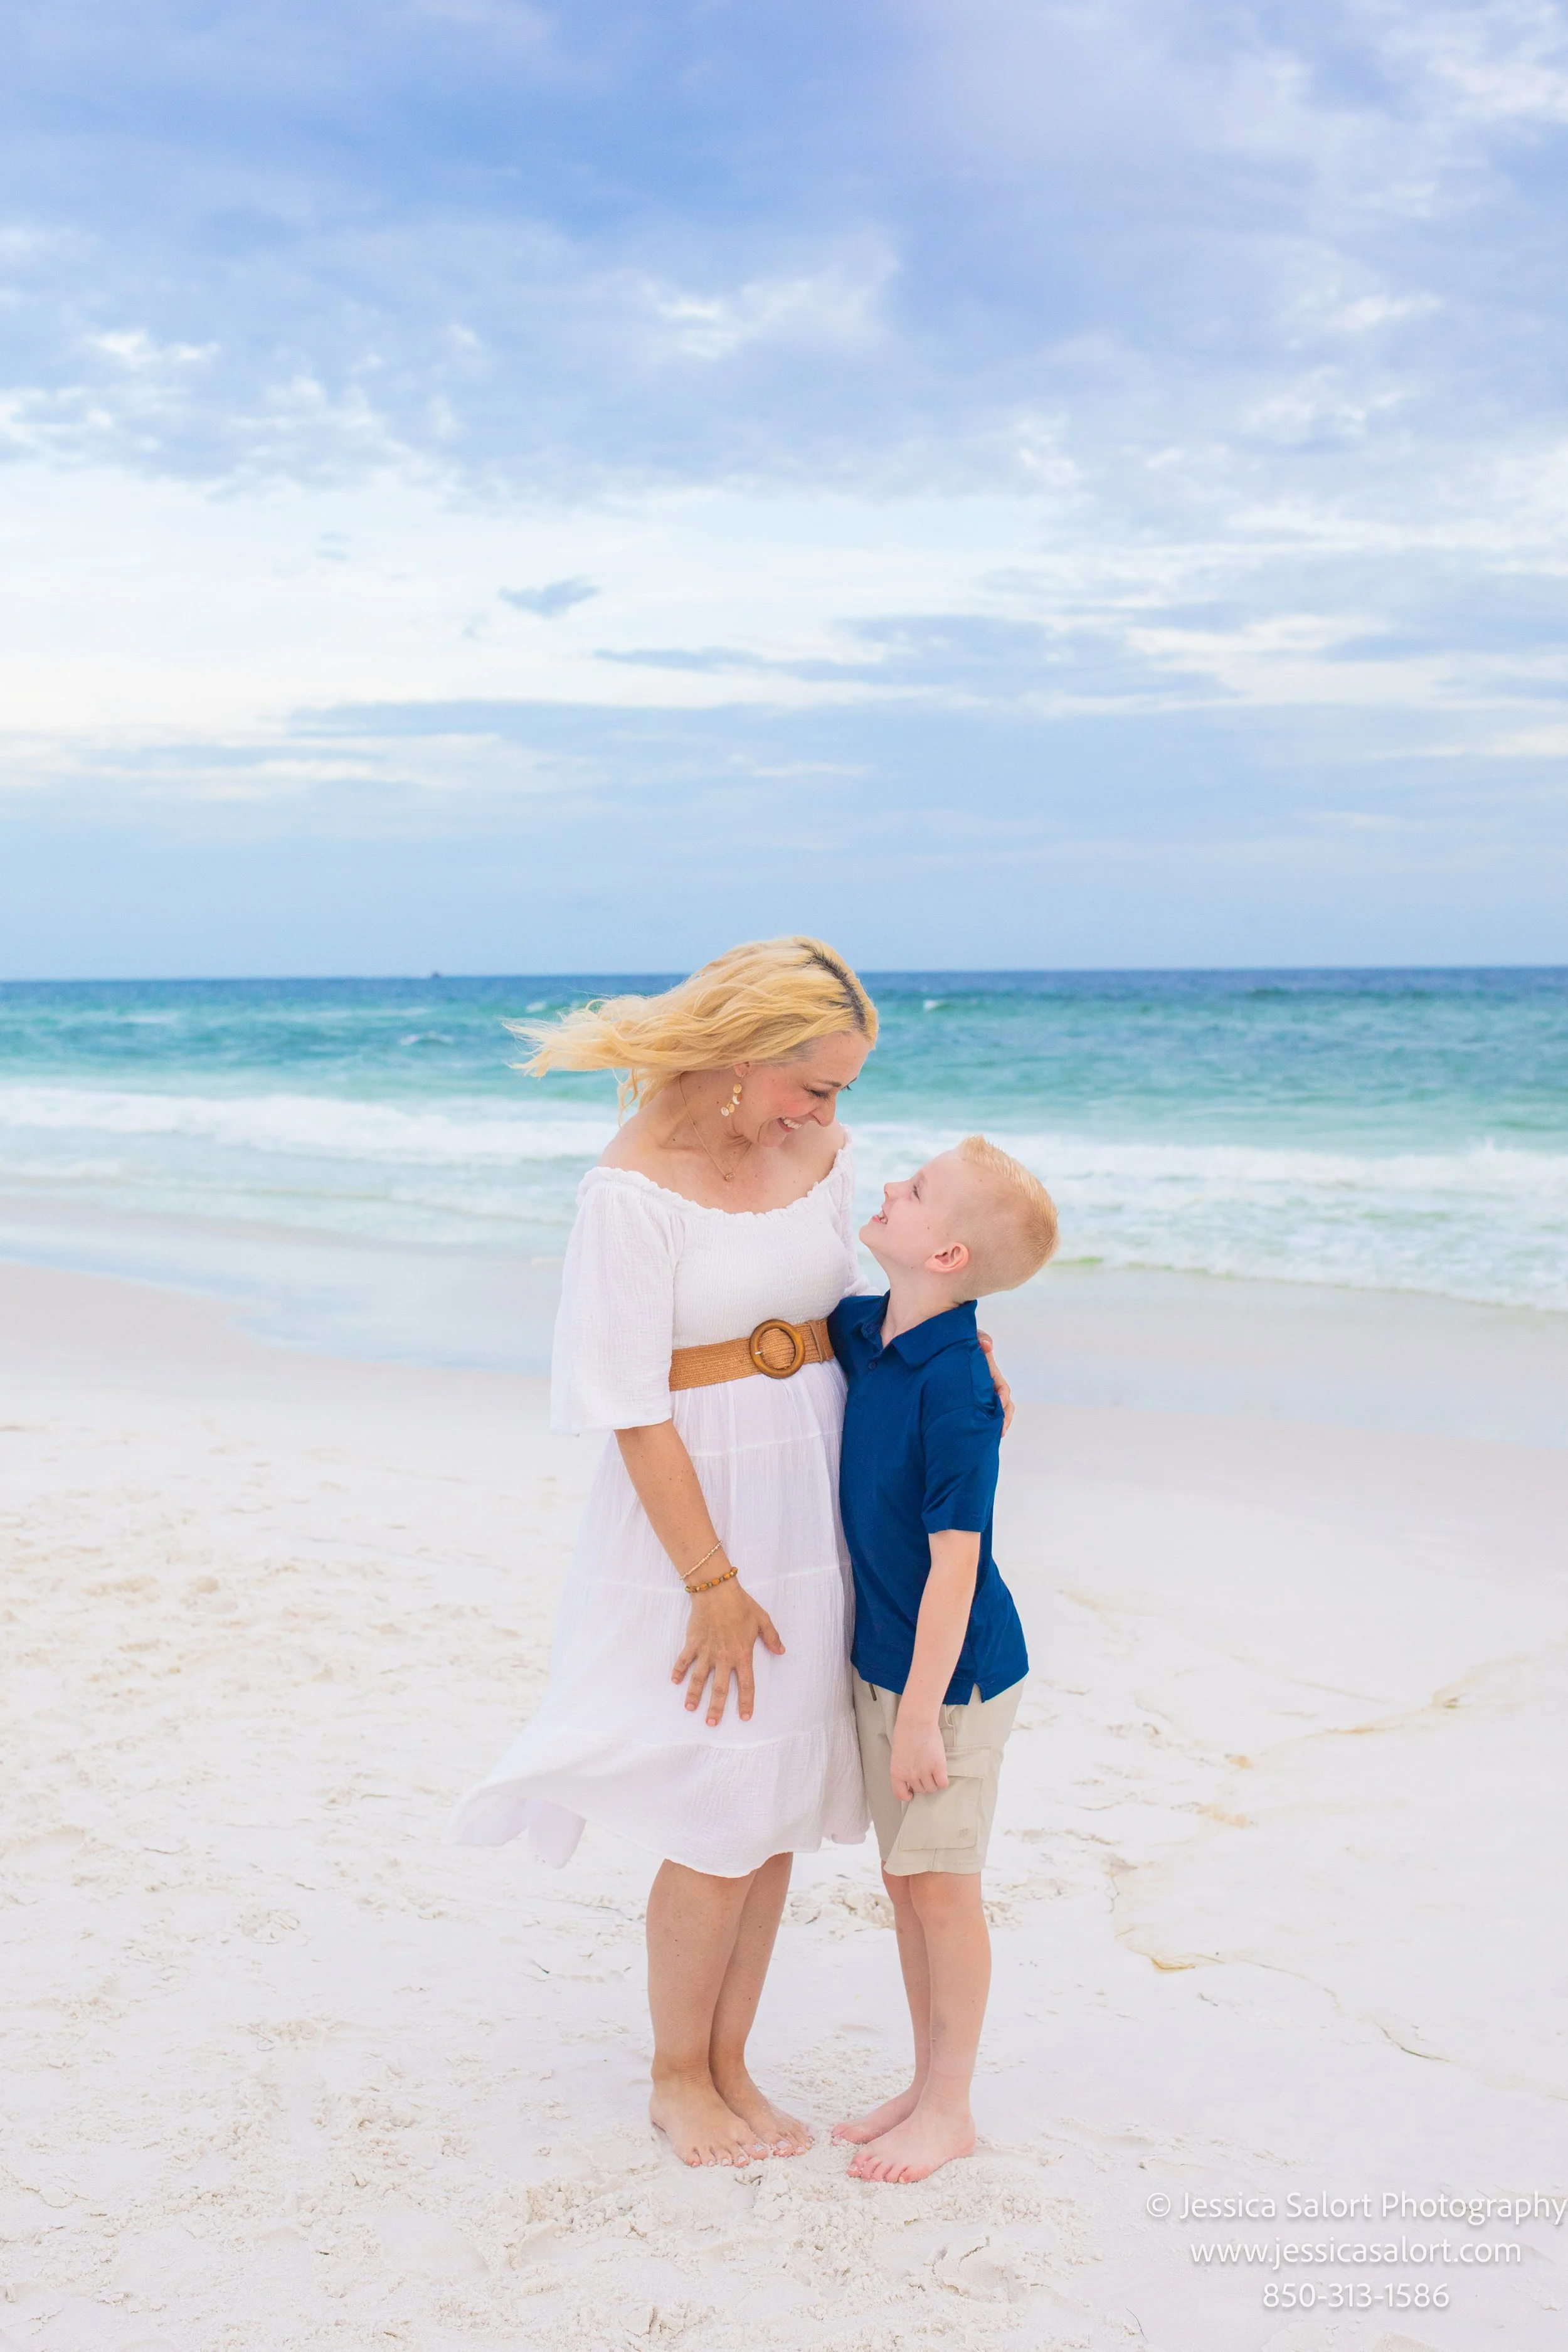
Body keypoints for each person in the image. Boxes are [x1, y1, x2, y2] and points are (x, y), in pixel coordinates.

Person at [448, 940, 889, 2168]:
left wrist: (957, 1352)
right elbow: (630, 1405)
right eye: (817, 1085)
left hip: (815, 1494)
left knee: (777, 1802)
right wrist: (710, 1584)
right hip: (697, 1512)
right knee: (713, 1804)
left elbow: (844, 1310)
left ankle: (730, 2060)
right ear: (747, 1059)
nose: (829, 1113)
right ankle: (673, 2075)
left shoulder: (821, 1154)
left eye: (840, 1091)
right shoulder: (632, 1188)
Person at [827, 1136, 1058, 2183]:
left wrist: (921, 1711)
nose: (888, 1185)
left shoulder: (958, 1388)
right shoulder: (871, 1331)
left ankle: (953, 2105)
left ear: (951, 1256)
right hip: (887, 1656)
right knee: (904, 1880)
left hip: (951, 1679)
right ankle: (925, 2081)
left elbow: (956, 1571)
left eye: (914, 1191)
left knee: (944, 1888)